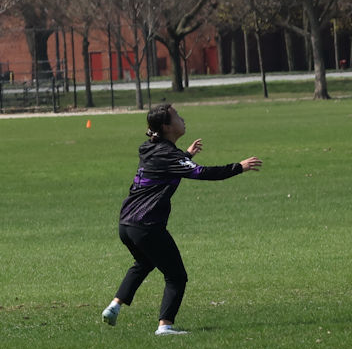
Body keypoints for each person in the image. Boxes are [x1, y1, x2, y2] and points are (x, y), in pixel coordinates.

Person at [101, 103, 261, 335]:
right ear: (166, 127)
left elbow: (168, 166)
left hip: (126, 224)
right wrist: (239, 167)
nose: (182, 119)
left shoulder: (149, 148)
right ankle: (165, 327)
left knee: (145, 263)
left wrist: (186, 156)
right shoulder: (169, 155)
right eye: (176, 116)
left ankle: (114, 306)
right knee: (176, 276)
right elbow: (202, 173)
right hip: (147, 225)